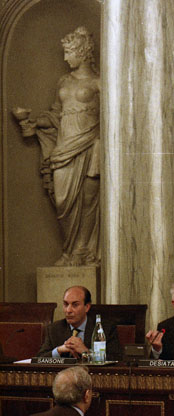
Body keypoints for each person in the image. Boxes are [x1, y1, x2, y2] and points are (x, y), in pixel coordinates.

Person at [15, 26, 100, 267]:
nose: (65, 58)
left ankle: (81, 251)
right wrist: (34, 122)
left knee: (89, 200)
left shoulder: (99, 82)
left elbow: (112, 117)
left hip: (91, 144)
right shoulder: (63, 81)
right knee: (63, 201)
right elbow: (56, 115)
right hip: (64, 148)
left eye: (69, 52)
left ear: (82, 52)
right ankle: (69, 248)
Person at [37, 286, 120, 360]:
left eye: (75, 305)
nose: (68, 310)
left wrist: (86, 352)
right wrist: (59, 350)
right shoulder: (54, 329)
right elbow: (39, 359)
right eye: (66, 304)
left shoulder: (105, 328)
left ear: (87, 307)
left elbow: (116, 358)